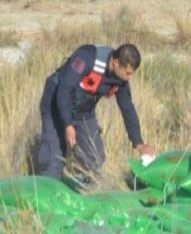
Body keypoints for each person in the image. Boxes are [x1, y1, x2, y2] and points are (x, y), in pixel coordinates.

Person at [36, 43, 152, 189]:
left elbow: (127, 108)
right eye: (128, 73)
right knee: (53, 158)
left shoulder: (120, 80)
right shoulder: (87, 57)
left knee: (95, 158)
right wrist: (67, 124)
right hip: (56, 102)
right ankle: (47, 197)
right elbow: (64, 89)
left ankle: (83, 194)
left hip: (84, 111)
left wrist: (139, 143)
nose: (129, 77)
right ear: (116, 63)